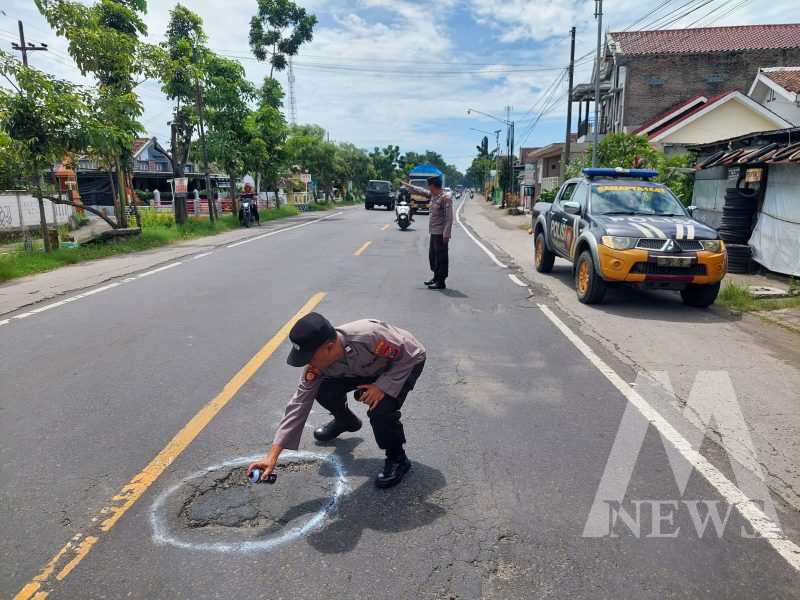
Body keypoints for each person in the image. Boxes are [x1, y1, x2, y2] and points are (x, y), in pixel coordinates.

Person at [248, 313, 426, 489]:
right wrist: (272, 456)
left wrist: (382, 387)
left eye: (309, 357)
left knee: (380, 410)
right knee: (323, 390)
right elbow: (298, 406)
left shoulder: (369, 336)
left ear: (329, 347)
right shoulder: (317, 366)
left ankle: (398, 459)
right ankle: (345, 421)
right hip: (365, 371)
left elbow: (413, 354)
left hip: (401, 364)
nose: (307, 363)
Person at [402, 176, 454, 290]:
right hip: (434, 232)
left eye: (429, 186)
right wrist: (409, 186)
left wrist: (446, 233)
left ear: (433, 186)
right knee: (433, 257)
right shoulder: (434, 195)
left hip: (441, 233)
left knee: (441, 258)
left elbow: (449, 218)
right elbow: (421, 191)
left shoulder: (445, 198)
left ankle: (441, 281)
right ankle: (435, 277)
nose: (428, 188)